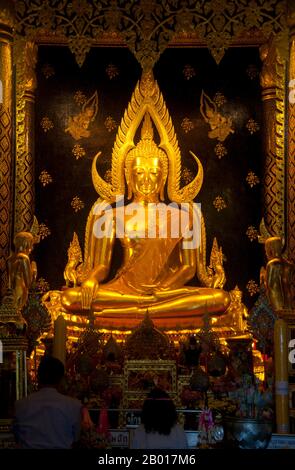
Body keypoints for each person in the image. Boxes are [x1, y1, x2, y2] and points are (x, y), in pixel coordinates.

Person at [61, 99, 230, 330]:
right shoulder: (111, 216)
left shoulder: (182, 216)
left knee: (219, 299)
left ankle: (141, 309)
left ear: (164, 177)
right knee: (70, 298)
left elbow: (188, 268)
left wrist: (162, 290)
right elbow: (102, 266)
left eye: (154, 172)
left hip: (167, 293)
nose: (147, 179)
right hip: (123, 291)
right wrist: (91, 279)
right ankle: (145, 309)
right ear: (129, 177)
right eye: (139, 172)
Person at [13, 356, 82, 449]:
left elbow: (17, 436)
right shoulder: (73, 406)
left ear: (38, 377)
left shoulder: (21, 405)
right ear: (61, 379)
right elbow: (76, 438)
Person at [7, 231, 37, 310]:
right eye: (31, 244)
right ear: (26, 244)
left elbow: (10, 280)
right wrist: (34, 270)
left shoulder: (10, 259)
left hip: (11, 291)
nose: (32, 248)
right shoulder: (24, 257)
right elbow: (29, 283)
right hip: (21, 289)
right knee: (18, 311)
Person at [264, 236, 294, 312]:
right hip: (288, 299)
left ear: (271, 249)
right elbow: (289, 283)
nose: (266, 253)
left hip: (276, 300)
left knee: (279, 321)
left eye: (266, 249)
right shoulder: (289, 265)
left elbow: (270, 286)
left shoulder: (272, 264)